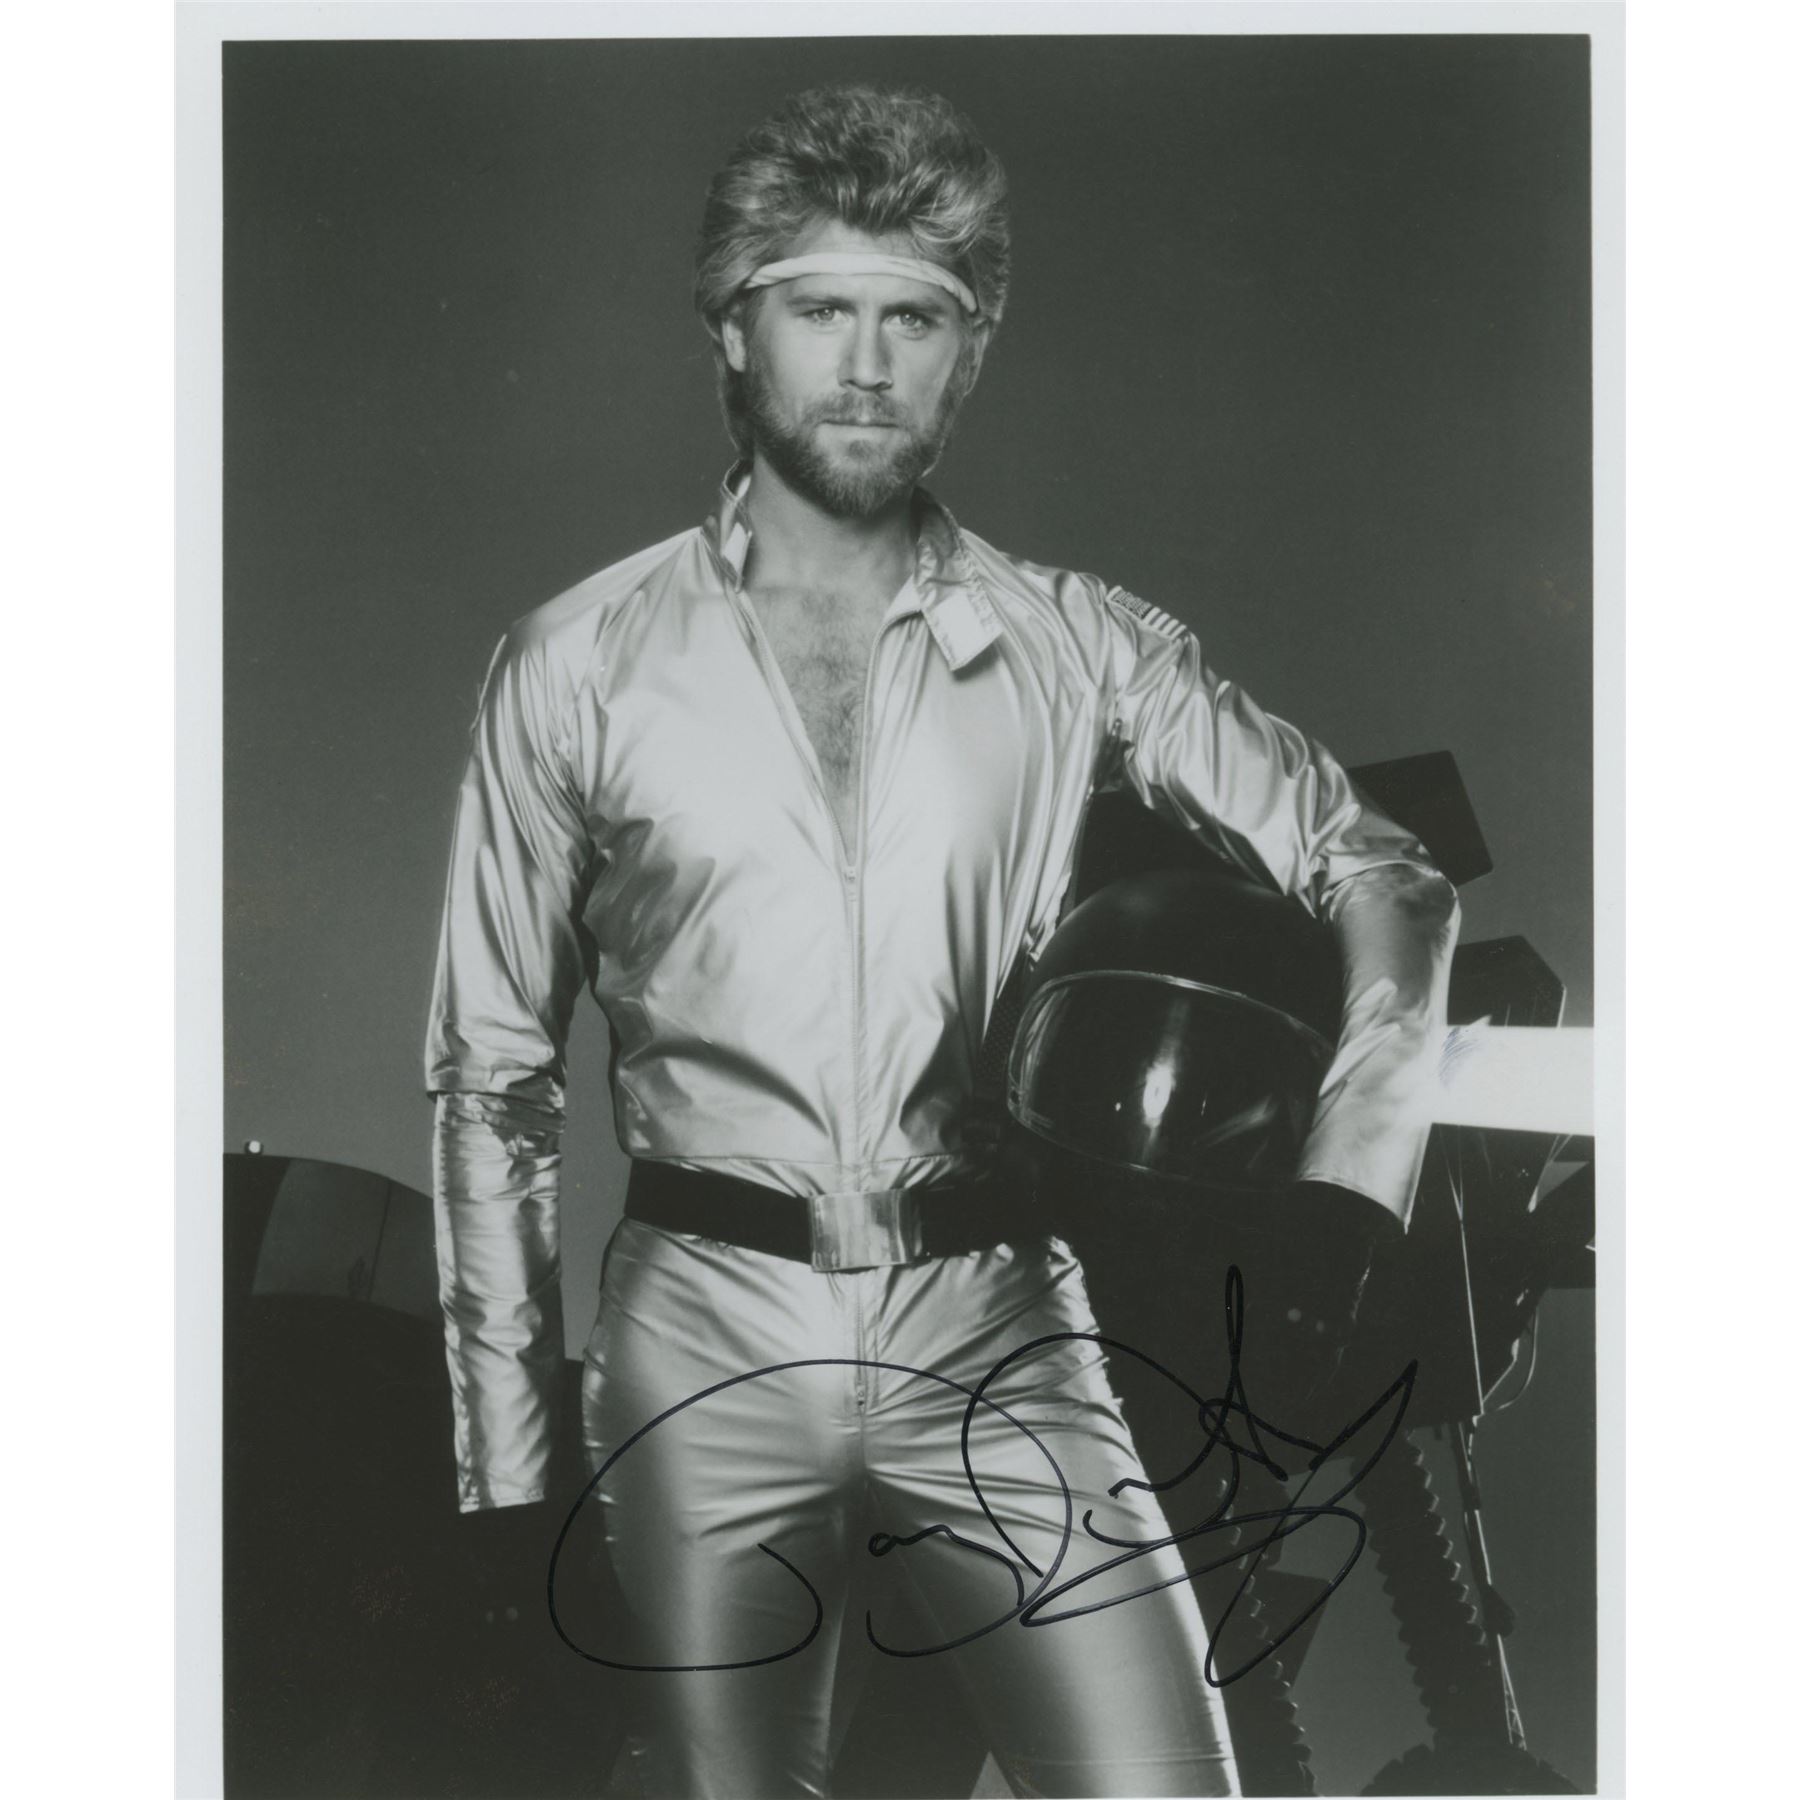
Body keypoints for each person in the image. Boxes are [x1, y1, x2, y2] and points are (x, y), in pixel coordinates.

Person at [426, 82, 1459, 1800]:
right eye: (819, 310)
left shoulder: (1079, 644)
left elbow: (1384, 871)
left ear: (968, 352)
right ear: (732, 326)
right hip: (703, 1330)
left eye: (914, 320)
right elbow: (491, 1076)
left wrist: (1348, 1196)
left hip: (993, 1322)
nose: (866, 364)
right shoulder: (574, 664)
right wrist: (507, 1473)